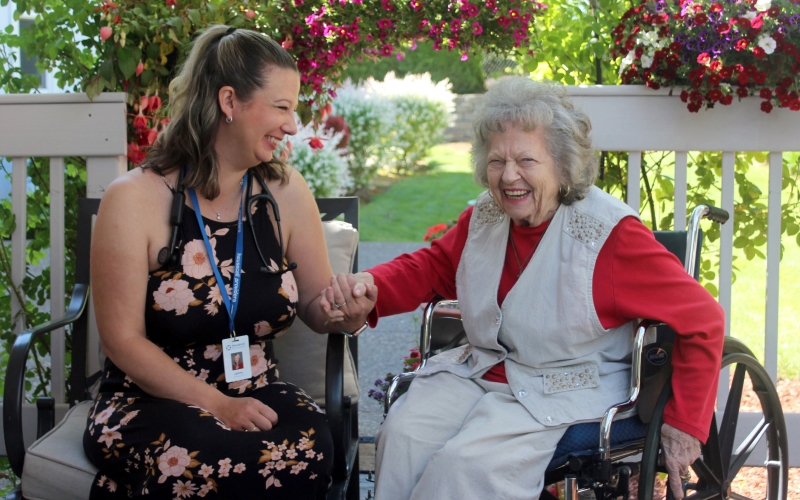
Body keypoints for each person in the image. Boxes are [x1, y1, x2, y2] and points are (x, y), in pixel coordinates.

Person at [321, 77, 724, 500]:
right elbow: (432, 267)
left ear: (562, 164)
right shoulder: (486, 218)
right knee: (404, 436)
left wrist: (685, 424)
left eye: (527, 160)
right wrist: (371, 286)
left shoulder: (612, 237)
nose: (508, 176)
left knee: (465, 468)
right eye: (497, 161)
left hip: (566, 385)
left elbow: (703, 320)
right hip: (479, 372)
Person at [83, 25, 374, 499]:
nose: (293, 125)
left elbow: (320, 306)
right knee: (199, 462)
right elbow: (122, 341)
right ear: (229, 102)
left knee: (308, 450)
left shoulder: (284, 191)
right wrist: (218, 405)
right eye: (281, 107)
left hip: (255, 386)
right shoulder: (135, 199)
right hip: (150, 397)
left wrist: (348, 313)